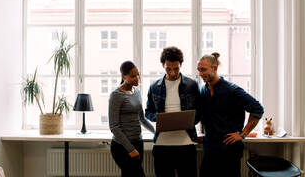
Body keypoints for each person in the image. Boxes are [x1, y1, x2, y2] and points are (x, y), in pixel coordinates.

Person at [197, 52, 264, 177]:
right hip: (210, 149)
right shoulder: (203, 90)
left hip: (229, 150)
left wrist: (243, 134)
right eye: (199, 70)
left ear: (214, 68)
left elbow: (257, 109)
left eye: (203, 70)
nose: (200, 74)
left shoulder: (232, 90)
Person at [145, 46, 201, 177]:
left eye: (176, 68)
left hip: (186, 144)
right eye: (168, 69)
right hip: (162, 145)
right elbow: (148, 112)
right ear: (163, 66)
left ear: (181, 65)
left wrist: (190, 120)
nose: (172, 72)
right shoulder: (154, 87)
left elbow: (200, 110)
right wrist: (159, 118)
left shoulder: (192, 85)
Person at [109, 61, 155, 177]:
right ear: (123, 77)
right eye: (133, 76)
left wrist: (156, 133)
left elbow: (142, 119)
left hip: (138, 142)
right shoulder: (116, 95)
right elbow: (114, 127)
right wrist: (130, 149)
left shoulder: (137, 91)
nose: (137, 78)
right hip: (122, 146)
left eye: (138, 74)